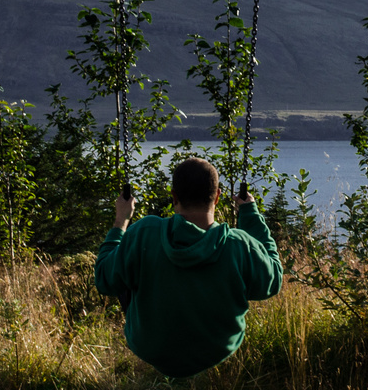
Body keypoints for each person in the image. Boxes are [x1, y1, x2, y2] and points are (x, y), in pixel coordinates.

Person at [94, 156, 283, 378]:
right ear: (217, 197)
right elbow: (274, 280)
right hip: (217, 347)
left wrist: (121, 222)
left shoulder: (145, 233)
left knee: (127, 265)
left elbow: (104, 280)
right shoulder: (238, 244)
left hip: (151, 346)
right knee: (240, 268)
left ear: (174, 197)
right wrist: (250, 215)